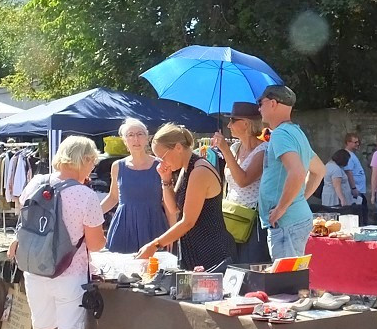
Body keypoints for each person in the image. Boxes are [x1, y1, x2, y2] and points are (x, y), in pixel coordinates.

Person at [8, 135, 106, 329]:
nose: (92, 168)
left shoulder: (34, 184)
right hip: (69, 276)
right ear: (84, 160)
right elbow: (96, 245)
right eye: (92, 162)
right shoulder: (85, 195)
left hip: (35, 270)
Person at [137, 124, 233, 270]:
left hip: (211, 251)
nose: (162, 163)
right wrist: (166, 179)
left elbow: (188, 221)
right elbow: (173, 208)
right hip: (193, 250)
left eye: (162, 157)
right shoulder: (186, 169)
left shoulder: (199, 171)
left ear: (178, 147)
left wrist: (155, 245)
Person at [257, 85, 324, 259]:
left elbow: (298, 172)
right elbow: (319, 170)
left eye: (260, 102)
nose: (258, 108)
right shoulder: (296, 132)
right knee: (291, 279)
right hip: (293, 220)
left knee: (286, 281)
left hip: (287, 223)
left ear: (272, 103)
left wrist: (281, 208)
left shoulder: (280, 135)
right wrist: (297, 198)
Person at [101, 118, 168, 254]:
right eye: (130, 135)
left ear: (147, 138)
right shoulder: (117, 166)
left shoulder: (160, 165)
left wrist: (173, 232)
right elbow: (113, 197)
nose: (136, 139)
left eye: (140, 134)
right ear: (125, 141)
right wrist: (89, 215)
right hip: (124, 226)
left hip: (153, 224)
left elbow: (168, 202)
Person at [213, 101, 269, 263]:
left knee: (248, 265)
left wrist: (224, 150)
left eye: (232, 120)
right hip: (231, 215)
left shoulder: (263, 150)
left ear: (245, 124)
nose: (229, 125)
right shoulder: (235, 147)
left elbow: (243, 180)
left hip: (250, 219)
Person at [342, 132, 369, 225]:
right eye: (355, 142)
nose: (357, 144)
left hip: (359, 190)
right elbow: (348, 172)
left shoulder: (352, 155)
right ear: (348, 142)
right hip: (355, 191)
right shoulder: (348, 155)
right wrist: (353, 188)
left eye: (358, 142)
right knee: (360, 215)